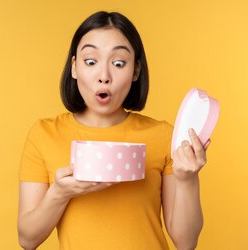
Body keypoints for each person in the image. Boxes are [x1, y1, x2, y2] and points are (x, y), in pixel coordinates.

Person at [17, 11, 212, 250]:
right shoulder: (44, 134)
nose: (104, 76)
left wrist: (187, 179)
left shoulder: (162, 136)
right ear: (74, 67)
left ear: (136, 71)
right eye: (91, 61)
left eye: (118, 63)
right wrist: (59, 193)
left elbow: (186, 243)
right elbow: (27, 239)